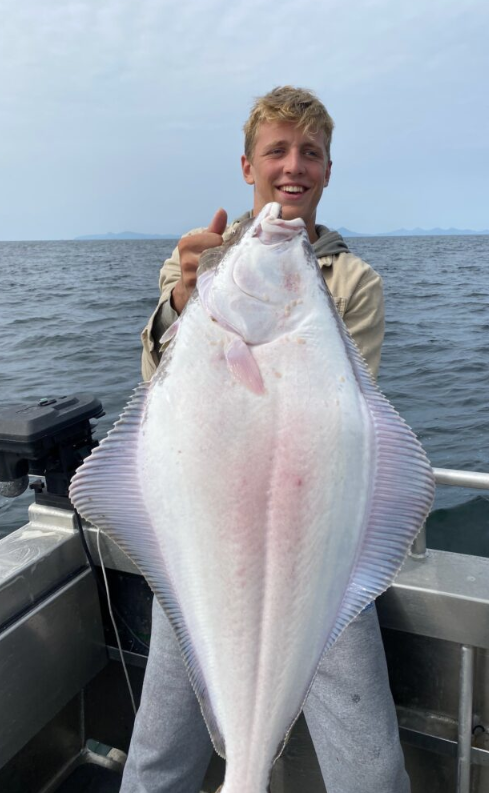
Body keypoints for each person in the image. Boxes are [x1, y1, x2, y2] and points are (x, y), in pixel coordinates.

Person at [123, 86, 410, 793]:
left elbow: (351, 416)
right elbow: (156, 380)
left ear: (328, 170)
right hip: (206, 544)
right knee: (159, 753)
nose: (293, 166)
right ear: (247, 165)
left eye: (309, 152)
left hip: (314, 549)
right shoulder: (195, 262)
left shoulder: (354, 280)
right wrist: (186, 305)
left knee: (371, 770)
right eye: (276, 150)